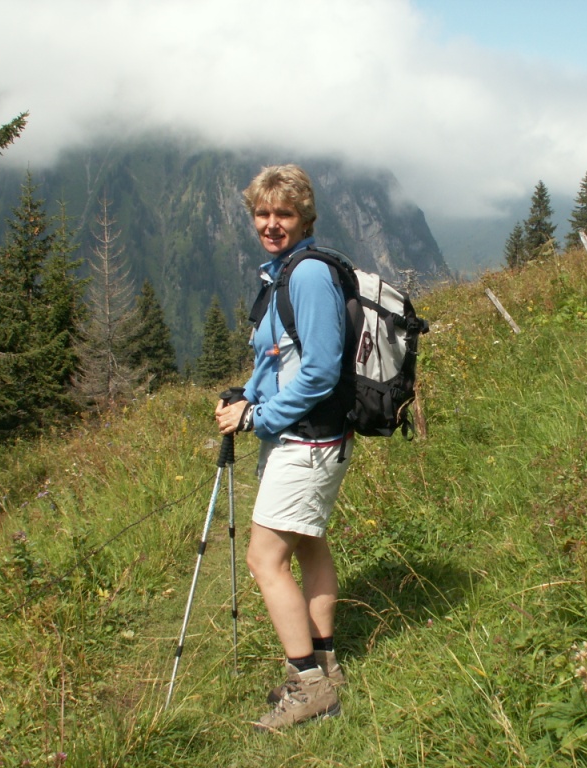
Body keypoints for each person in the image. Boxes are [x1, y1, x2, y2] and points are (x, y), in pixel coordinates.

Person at [214, 164, 351, 731]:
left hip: (307, 439)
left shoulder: (309, 275)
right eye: (263, 214)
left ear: (305, 218)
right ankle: (326, 662)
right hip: (302, 435)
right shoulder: (280, 273)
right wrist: (244, 398)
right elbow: (273, 358)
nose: (272, 224)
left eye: (284, 214)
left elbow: (320, 370)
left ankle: (310, 687)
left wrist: (260, 417)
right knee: (309, 546)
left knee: (264, 558)